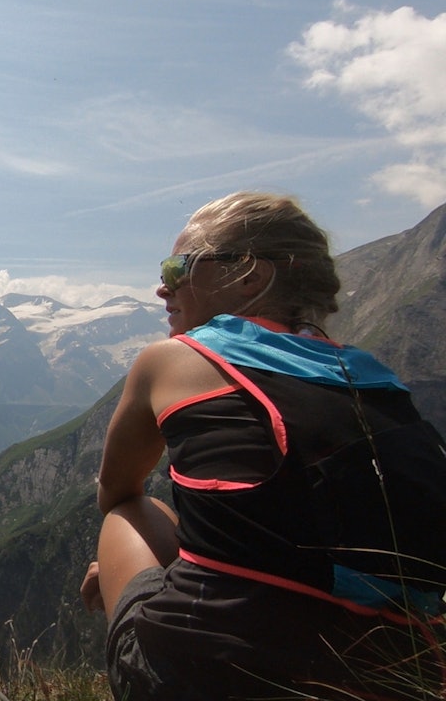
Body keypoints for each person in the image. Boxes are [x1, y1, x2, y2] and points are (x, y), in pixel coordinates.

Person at [79, 191, 446, 700]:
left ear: (250, 275)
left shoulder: (169, 361)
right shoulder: (380, 382)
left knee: (132, 509)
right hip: (391, 676)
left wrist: (116, 568)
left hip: (196, 676)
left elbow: (113, 489)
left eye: (178, 267)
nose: (163, 288)